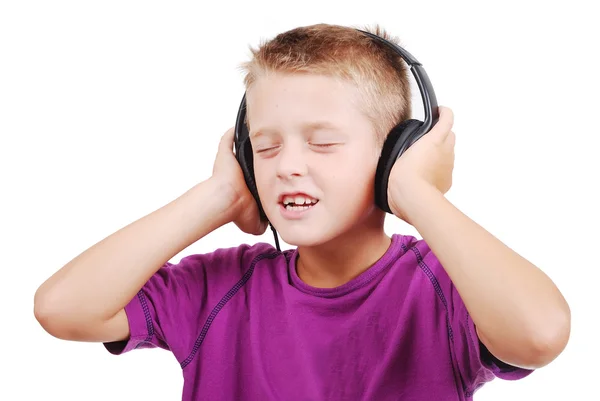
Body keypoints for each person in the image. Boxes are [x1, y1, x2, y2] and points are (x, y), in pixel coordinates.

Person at [33, 23, 571, 400]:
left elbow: (539, 335)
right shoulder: (214, 288)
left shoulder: (446, 286)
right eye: (264, 148)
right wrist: (218, 196)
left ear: (394, 156)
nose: (286, 165)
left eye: (322, 143)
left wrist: (418, 195)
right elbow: (63, 309)